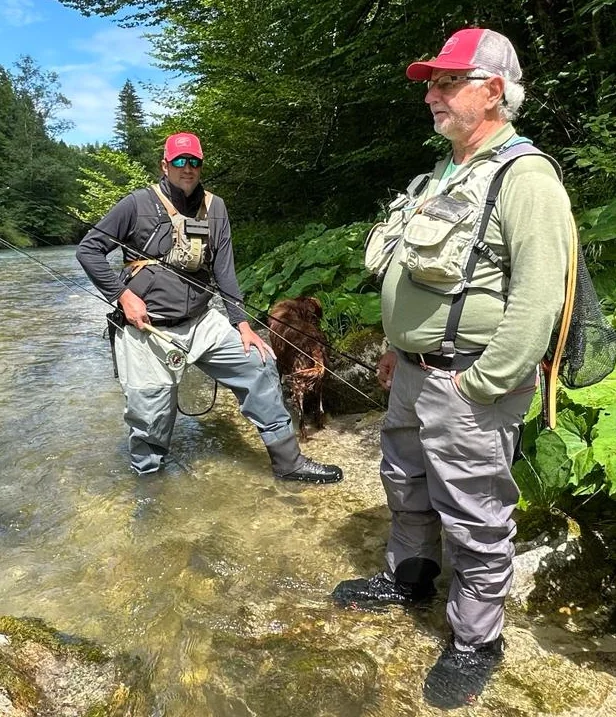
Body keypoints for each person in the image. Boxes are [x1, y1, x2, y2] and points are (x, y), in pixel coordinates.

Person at [332, 29, 571, 708]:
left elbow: (537, 299)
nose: (431, 94)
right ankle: (409, 578)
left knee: (474, 514)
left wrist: (482, 383)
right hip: (412, 372)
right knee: (404, 481)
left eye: (446, 81)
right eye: (430, 83)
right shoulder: (446, 173)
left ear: (493, 90)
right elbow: (420, 274)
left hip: (468, 380)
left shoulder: (526, 178)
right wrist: (395, 347)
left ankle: (476, 641)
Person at [77, 132, 343, 485]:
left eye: (194, 162)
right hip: (147, 329)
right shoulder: (136, 204)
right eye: (180, 161)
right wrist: (122, 296)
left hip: (202, 321)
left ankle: (288, 462)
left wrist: (243, 325)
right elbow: (88, 250)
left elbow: (225, 272)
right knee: (151, 412)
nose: (188, 168)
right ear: (165, 165)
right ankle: (150, 486)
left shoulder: (215, 207)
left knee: (258, 363)